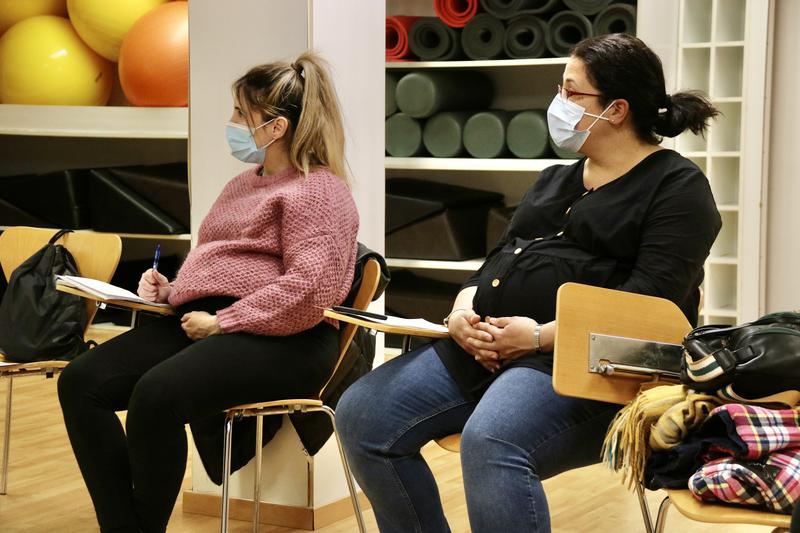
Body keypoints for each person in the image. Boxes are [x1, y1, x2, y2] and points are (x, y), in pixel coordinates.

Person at [336, 33, 722, 533]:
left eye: (570, 91)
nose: (557, 104)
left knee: (493, 440)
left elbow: (648, 305)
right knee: (362, 415)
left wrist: (538, 337)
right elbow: (500, 259)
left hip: (590, 363)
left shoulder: (677, 187)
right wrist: (462, 309)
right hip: (489, 347)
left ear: (617, 109)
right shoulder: (556, 178)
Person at [57, 52, 359, 533]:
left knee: (156, 395)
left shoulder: (318, 192)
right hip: (212, 323)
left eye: (242, 114)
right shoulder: (243, 184)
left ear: (276, 127)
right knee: (80, 382)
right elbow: (224, 264)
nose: (233, 123)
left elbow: (309, 291)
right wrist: (171, 291)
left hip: (289, 338)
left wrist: (224, 322)